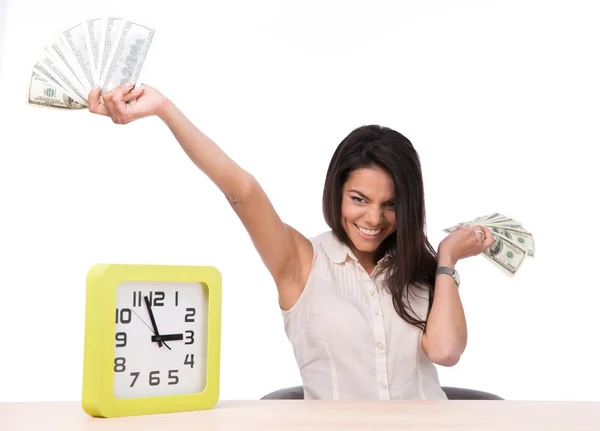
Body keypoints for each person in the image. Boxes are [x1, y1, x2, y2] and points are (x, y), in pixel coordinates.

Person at [88, 82, 495, 400]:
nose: (373, 218)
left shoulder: (422, 269)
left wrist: (446, 259)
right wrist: (163, 109)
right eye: (359, 199)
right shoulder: (301, 263)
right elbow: (242, 192)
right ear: (337, 192)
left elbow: (445, 352)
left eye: (390, 204)